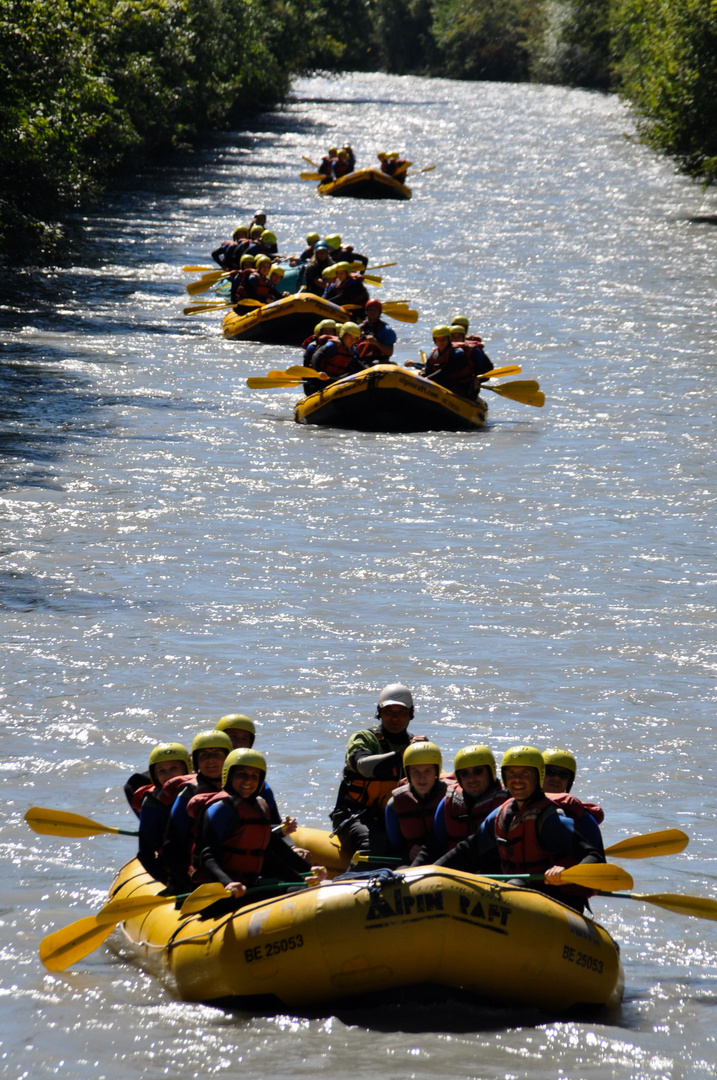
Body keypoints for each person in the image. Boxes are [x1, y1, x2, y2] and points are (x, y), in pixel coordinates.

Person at [434, 745, 605, 913]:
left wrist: (568, 871)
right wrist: (432, 871)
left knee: (516, 885)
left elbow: (594, 856)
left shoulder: (551, 819)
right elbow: (468, 850)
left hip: (558, 900)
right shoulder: (501, 814)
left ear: (539, 776)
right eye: (511, 773)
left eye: (525, 773)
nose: (517, 779)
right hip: (517, 896)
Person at [198, 749, 326, 900]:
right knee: (299, 891)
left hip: (250, 884)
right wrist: (227, 883)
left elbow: (273, 848)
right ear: (229, 776)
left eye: (254, 776)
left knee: (304, 888)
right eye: (242, 775)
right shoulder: (220, 809)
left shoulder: (260, 806)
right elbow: (206, 856)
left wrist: (307, 870)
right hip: (222, 889)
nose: (248, 781)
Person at [330, 683, 426, 859]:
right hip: (354, 816)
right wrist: (405, 753)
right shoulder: (364, 739)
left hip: (394, 817)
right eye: (389, 712)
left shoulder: (416, 746)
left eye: (401, 713)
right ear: (379, 712)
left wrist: (423, 753)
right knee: (374, 842)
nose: (394, 718)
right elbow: (365, 767)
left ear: (411, 714)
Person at [162, 730, 233, 895]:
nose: (211, 760)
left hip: (235, 869)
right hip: (202, 872)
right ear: (196, 761)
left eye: (217, 754)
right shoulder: (187, 794)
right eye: (204, 756)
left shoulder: (241, 787)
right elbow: (172, 844)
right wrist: (181, 884)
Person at [413, 744, 508, 865]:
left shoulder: (506, 801)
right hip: (453, 871)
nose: (471, 779)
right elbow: (431, 847)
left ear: (491, 772)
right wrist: (411, 872)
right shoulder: (449, 802)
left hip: (492, 874)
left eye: (478, 771)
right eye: (465, 774)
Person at [135, 742, 192, 882]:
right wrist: (168, 881)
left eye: (173, 768)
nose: (168, 775)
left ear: (186, 769)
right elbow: (145, 854)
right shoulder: (151, 803)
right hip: (175, 870)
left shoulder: (200, 792)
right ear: (155, 776)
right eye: (162, 771)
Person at [385, 742, 448, 864]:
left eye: (427, 771)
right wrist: (407, 853)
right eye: (415, 772)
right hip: (412, 861)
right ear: (407, 773)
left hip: (445, 858)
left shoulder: (450, 798)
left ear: (437, 771)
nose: (421, 778)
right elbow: (393, 847)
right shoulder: (394, 805)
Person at [418, 325, 477, 399]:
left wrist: (427, 379)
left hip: (462, 389)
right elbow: (427, 372)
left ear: (449, 339)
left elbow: (446, 371)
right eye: (438, 339)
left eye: (444, 339)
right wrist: (421, 377)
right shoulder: (432, 356)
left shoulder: (458, 354)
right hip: (444, 387)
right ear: (435, 341)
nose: (441, 342)